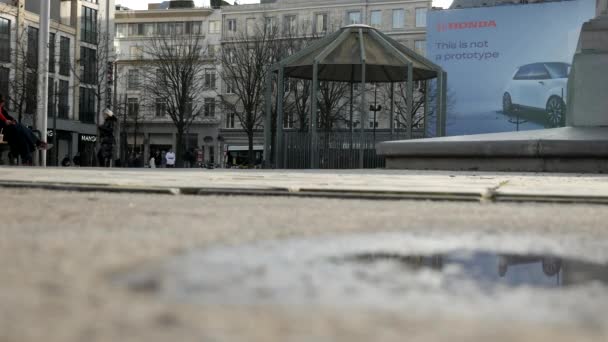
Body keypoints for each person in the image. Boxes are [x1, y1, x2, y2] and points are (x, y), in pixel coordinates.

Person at [0, 94, 51, 165]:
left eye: (3, 101)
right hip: (3, 133)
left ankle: (27, 159)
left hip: (11, 132)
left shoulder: (2, 110)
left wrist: (12, 121)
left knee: (21, 135)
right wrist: (6, 122)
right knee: (20, 128)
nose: (3, 103)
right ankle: (37, 143)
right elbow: (3, 120)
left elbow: (8, 117)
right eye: (2, 101)